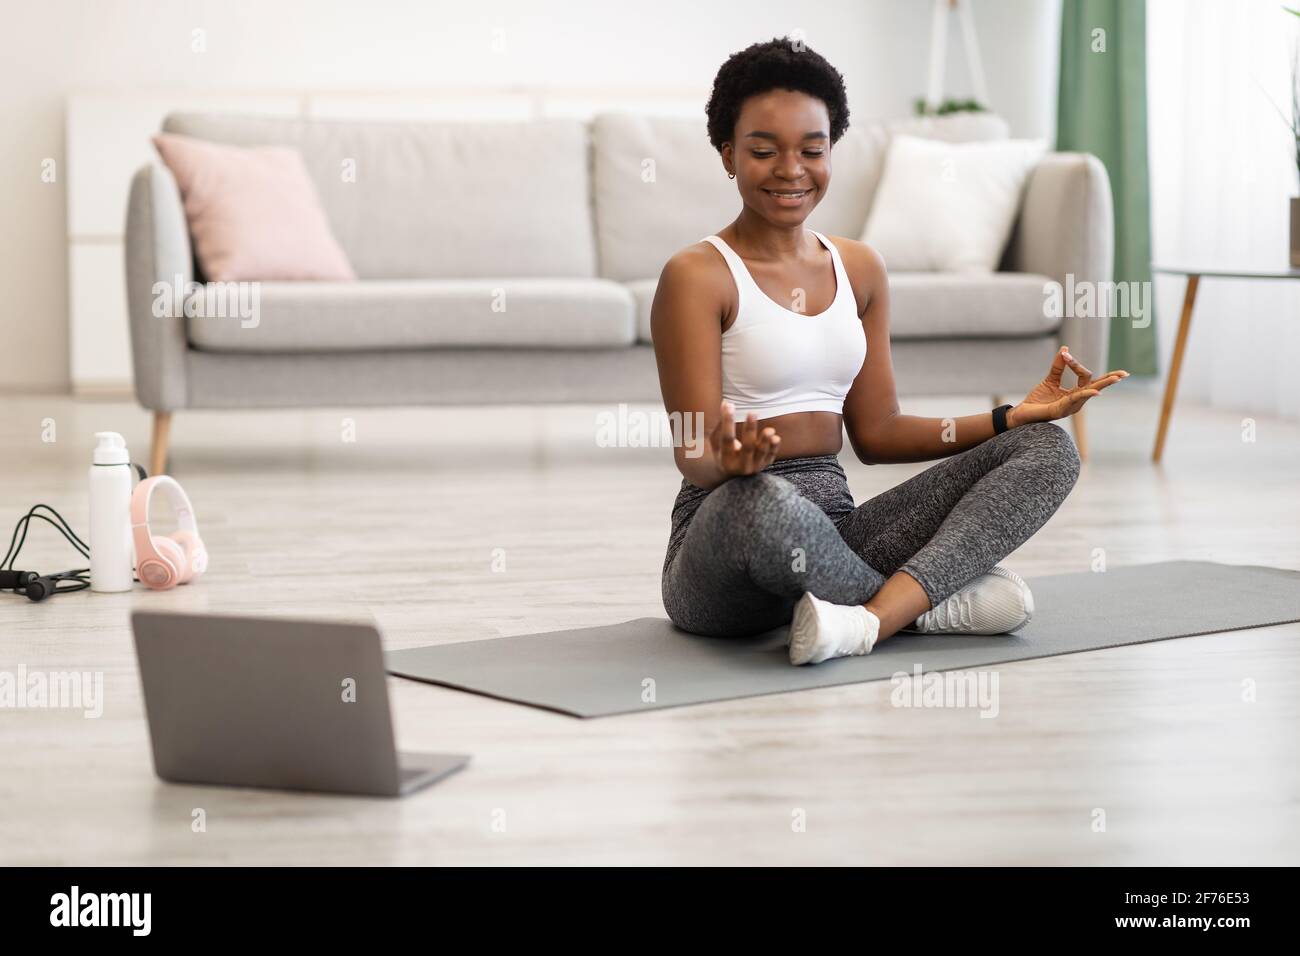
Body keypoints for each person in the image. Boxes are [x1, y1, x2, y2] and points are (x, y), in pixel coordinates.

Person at [650, 37, 1128, 666]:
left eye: (812, 150)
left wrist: (1009, 418)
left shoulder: (860, 268)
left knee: (1048, 448)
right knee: (762, 503)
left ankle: (866, 620)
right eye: (764, 151)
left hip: (841, 532)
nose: (791, 169)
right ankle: (924, 604)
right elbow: (693, 451)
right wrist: (728, 462)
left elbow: (877, 434)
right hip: (726, 540)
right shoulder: (696, 275)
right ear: (728, 155)